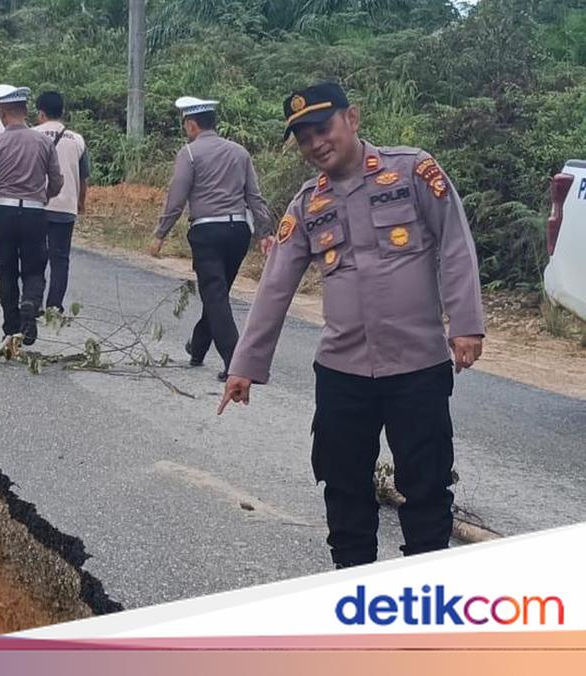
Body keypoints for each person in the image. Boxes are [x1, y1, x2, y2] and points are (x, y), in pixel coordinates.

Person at [219, 82, 486, 569]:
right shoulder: (305, 205)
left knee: (426, 486)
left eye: (323, 128)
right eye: (304, 138)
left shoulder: (411, 171)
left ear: (353, 119)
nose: (316, 143)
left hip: (417, 366)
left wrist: (465, 323)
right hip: (342, 373)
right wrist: (245, 366)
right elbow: (275, 286)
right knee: (342, 488)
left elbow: (454, 242)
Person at [148, 96, 274, 381]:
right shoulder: (240, 152)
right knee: (216, 294)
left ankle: (236, 362)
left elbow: (176, 199)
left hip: (207, 232)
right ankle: (198, 346)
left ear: (192, 125)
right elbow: (254, 196)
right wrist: (265, 231)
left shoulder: (189, 153)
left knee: (215, 294)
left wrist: (160, 234)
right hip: (239, 231)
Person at [0, 86, 63, 353]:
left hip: (4, 214)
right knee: (34, 268)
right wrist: (43, 195)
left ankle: (11, 330)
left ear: (3, 114)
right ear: (25, 112)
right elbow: (56, 181)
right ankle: (30, 303)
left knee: (7, 273)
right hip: (34, 213)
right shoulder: (43, 143)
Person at [33, 90, 90, 313]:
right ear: (62, 112)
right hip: (66, 206)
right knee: (60, 259)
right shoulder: (77, 140)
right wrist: (81, 203)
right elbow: (84, 177)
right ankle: (54, 306)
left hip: (37, 206)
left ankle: (33, 300)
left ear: (40, 113)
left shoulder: (32, 134)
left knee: (35, 256)